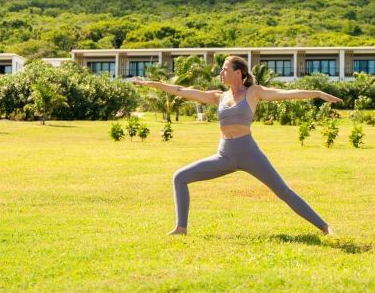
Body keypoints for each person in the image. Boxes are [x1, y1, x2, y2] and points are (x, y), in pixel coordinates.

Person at [132, 55, 341, 236]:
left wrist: (317, 93)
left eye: (225, 69)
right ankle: (181, 228)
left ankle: (324, 227)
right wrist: (152, 84)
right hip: (225, 155)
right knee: (180, 177)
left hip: (249, 152)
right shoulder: (219, 97)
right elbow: (182, 90)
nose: (221, 73)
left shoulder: (253, 93)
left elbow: (286, 94)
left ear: (239, 73)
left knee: (283, 191)